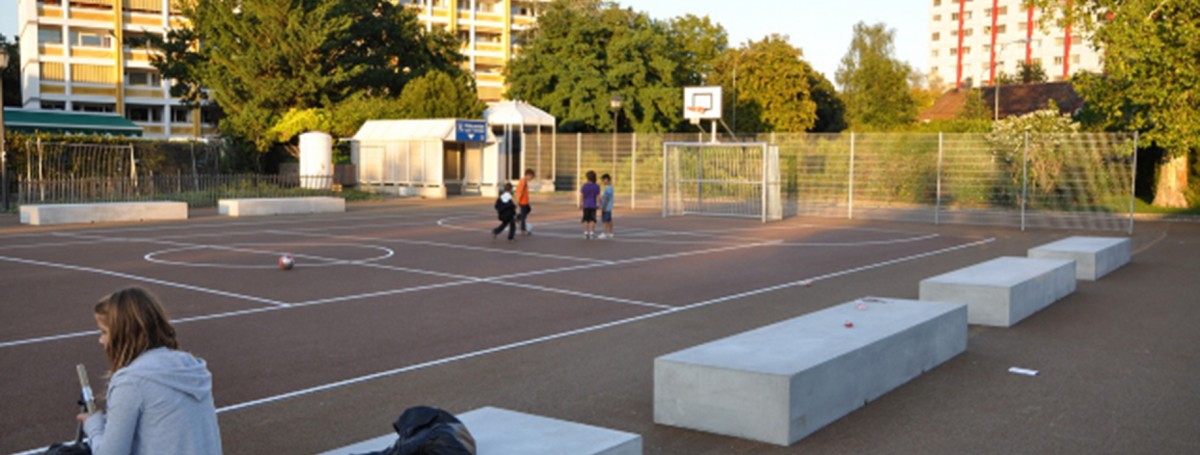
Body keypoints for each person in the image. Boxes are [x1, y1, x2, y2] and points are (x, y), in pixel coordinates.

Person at [78, 287, 222, 455]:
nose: (100, 340)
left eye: (104, 332)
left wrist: (93, 425)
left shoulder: (131, 382)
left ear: (122, 334)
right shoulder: (190, 366)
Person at [579, 170, 601, 239]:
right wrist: (598, 203)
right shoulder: (596, 186)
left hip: (586, 204)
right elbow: (598, 196)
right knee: (593, 219)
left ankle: (586, 232)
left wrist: (581, 203)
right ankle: (592, 232)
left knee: (585, 219)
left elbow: (582, 195)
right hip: (593, 204)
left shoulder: (584, 186)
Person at [515, 168, 535, 235]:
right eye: (531, 177)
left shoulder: (525, 181)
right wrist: (517, 200)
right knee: (523, 216)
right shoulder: (523, 181)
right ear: (528, 175)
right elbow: (520, 191)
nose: (531, 179)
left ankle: (517, 218)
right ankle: (523, 229)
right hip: (522, 201)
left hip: (525, 201)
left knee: (528, 209)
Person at [598, 173, 615, 239]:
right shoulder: (610, 187)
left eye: (603, 180)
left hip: (606, 207)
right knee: (609, 220)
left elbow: (607, 198)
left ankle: (604, 233)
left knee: (605, 220)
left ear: (607, 180)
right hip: (608, 207)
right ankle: (610, 233)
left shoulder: (608, 188)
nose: (603, 182)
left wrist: (604, 207)